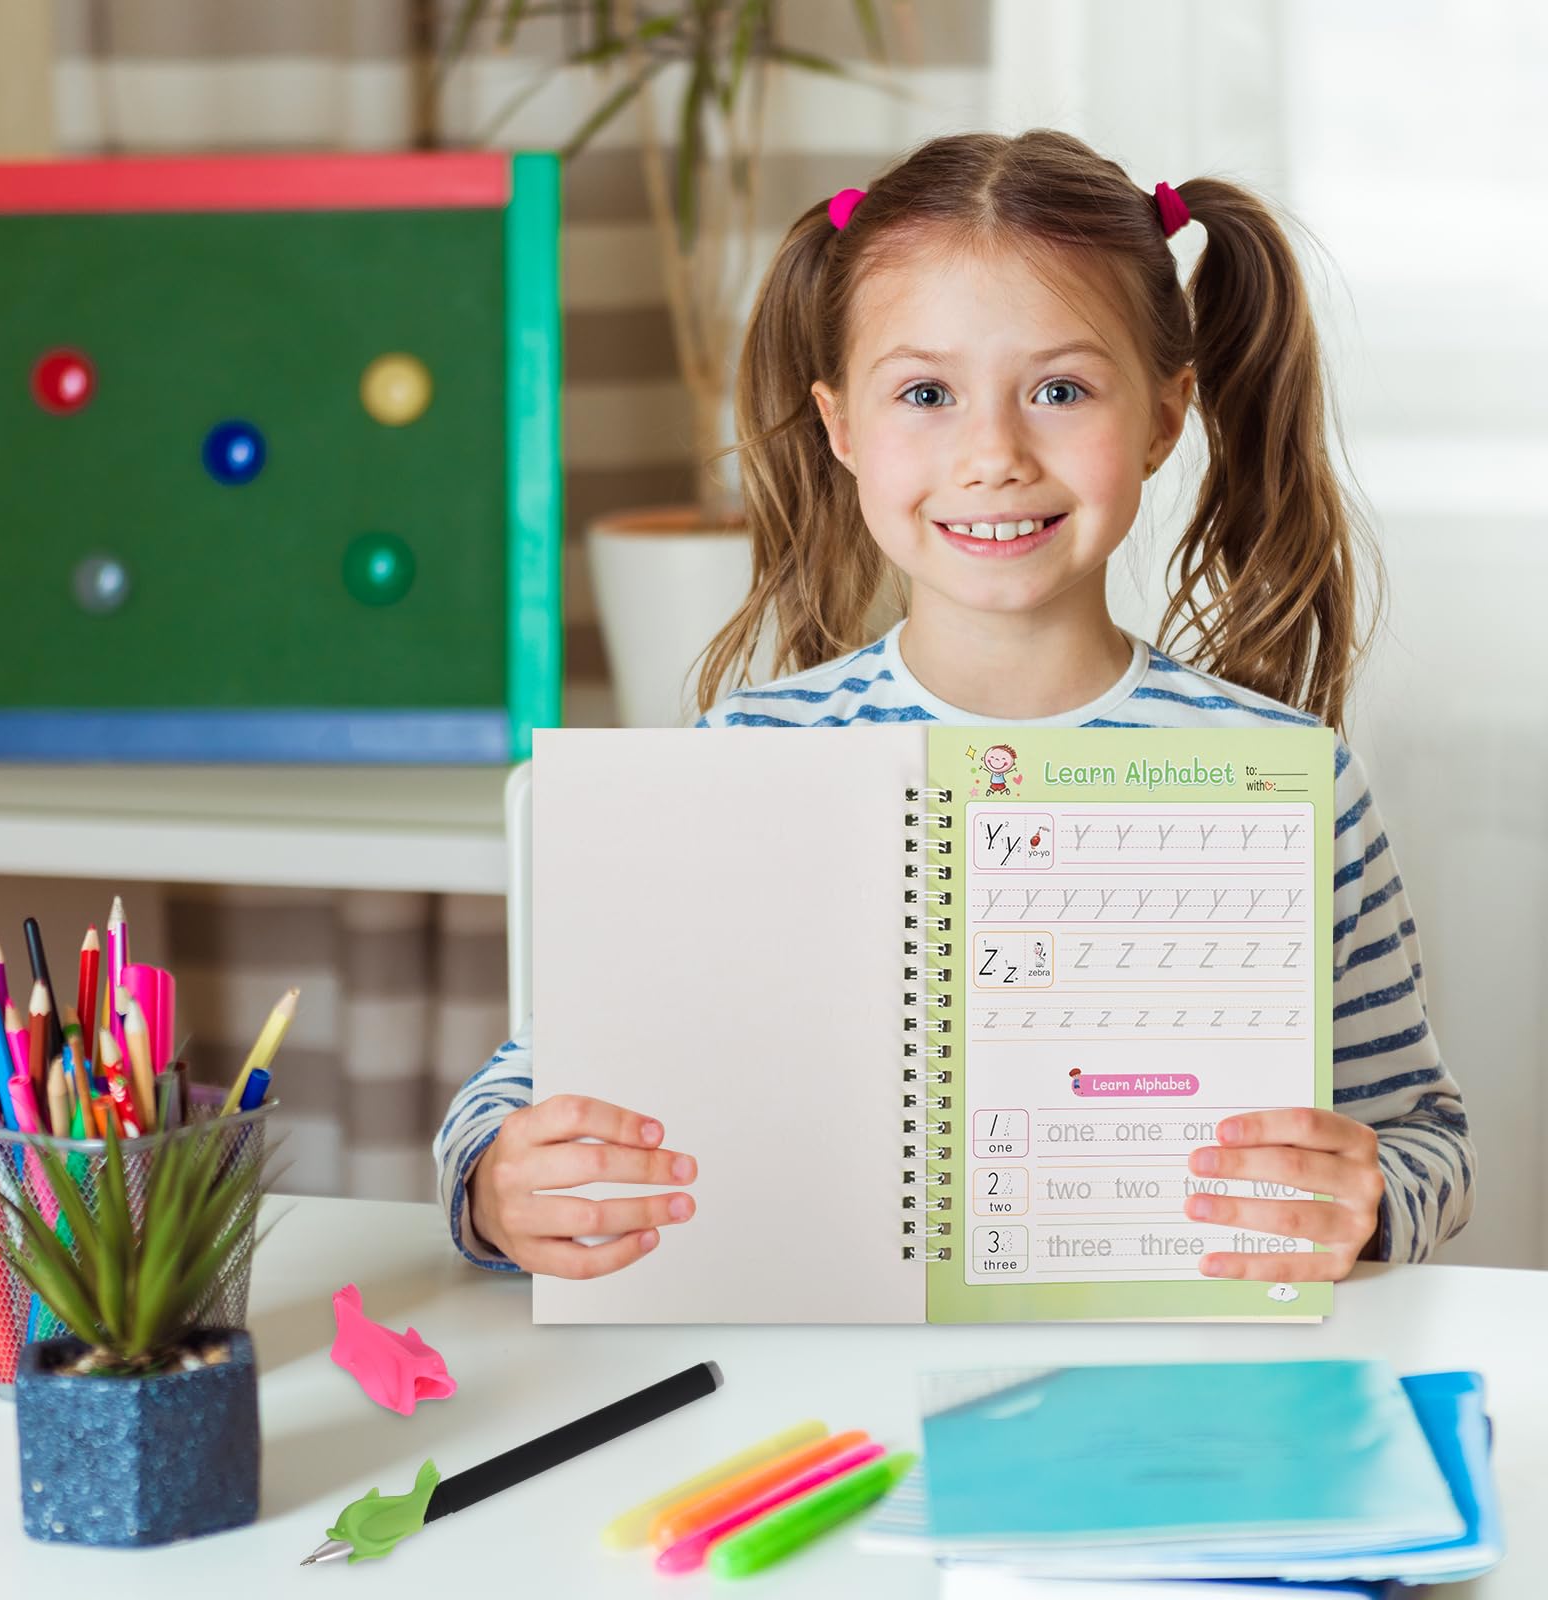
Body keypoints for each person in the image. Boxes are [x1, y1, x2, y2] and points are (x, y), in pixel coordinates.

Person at [434, 128, 1474, 1285]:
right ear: (839, 426)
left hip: (1175, 1382)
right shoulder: (744, 760)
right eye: (925, 392)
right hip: (797, 1389)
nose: (992, 453)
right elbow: (524, 1089)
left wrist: (1368, 1200)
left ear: (1165, 419)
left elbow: (1428, 1140)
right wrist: (494, 1185)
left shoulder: (1287, 774)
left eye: (1060, 390)